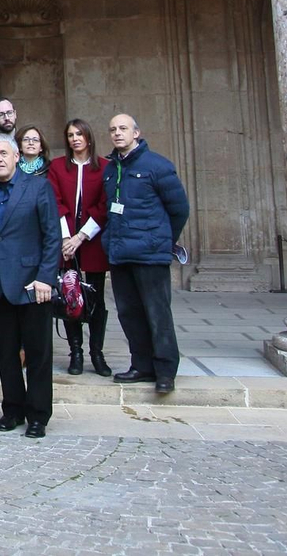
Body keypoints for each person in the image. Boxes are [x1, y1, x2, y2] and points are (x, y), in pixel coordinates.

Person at [0, 133, 61, 438]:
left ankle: (38, 415)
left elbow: (52, 237)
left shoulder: (38, 186)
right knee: (7, 353)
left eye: (2, 153)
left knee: (37, 353)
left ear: (16, 156)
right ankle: (12, 409)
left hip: (33, 284)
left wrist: (46, 277)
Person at [103, 114, 190, 394]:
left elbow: (179, 209)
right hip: (120, 252)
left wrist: (163, 240)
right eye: (113, 129)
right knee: (129, 313)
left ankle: (165, 371)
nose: (117, 133)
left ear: (136, 133)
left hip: (150, 254)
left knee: (157, 313)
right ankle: (141, 365)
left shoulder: (158, 166)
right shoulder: (110, 168)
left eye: (123, 128)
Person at [47, 118, 112, 376]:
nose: (75, 139)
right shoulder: (57, 167)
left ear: (88, 138)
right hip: (65, 242)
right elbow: (56, 201)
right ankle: (76, 352)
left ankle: (97, 352)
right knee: (69, 294)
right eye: (70, 134)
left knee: (96, 298)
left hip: (92, 240)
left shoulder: (105, 167)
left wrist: (81, 236)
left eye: (79, 134)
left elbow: (104, 206)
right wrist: (66, 238)